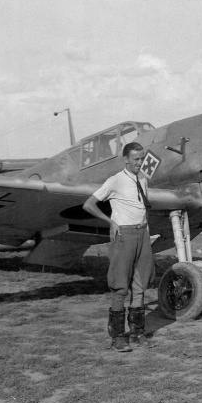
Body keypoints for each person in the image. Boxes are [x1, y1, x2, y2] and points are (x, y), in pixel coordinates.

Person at [83, 142, 154, 352]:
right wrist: (111, 222)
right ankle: (118, 337)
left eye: (141, 158)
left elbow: (143, 208)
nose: (139, 163)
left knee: (140, 285)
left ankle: (137, 333)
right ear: (126, 159)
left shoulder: (143, 179)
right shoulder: (115, 180)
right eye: (135, 159)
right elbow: (89, 204)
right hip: (124, 235)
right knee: (120, 285)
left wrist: (146, 231)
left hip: (142, 234)